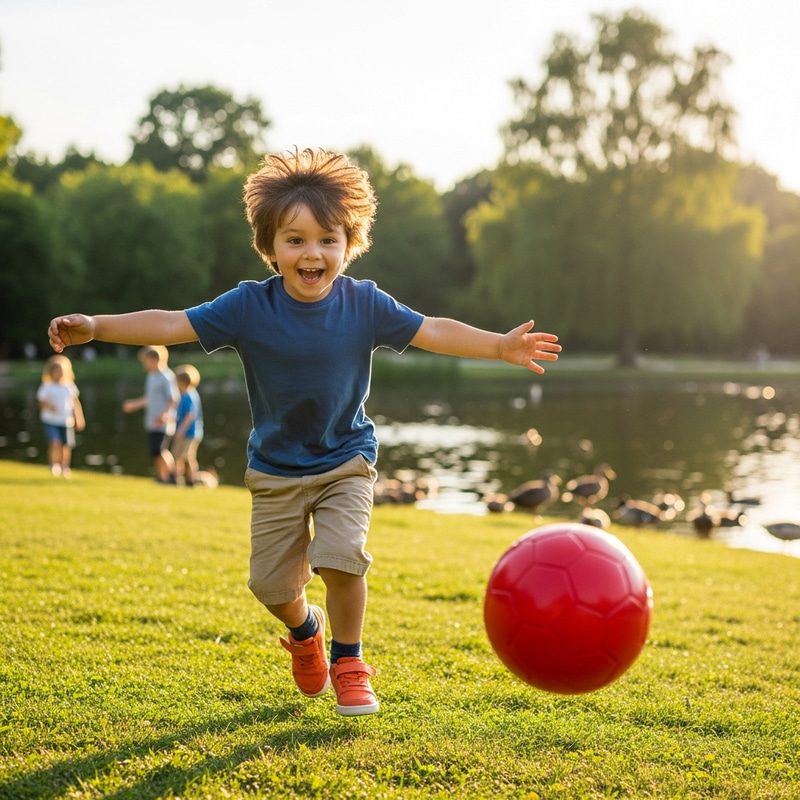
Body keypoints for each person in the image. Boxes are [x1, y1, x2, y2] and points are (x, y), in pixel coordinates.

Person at [47, 147, 561, 716]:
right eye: (295, 240)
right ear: (270, 248)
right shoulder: (247, 306)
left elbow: (432, 329)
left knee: (341, 556)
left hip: (345, 459)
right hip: (275, 468)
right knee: (271, 587)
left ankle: (349, 661)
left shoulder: (365, 303)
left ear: (350, 243)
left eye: (327, 239)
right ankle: (305, 630)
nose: (312, 252)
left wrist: (499, 346)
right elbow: (171, 324)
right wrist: (95, 326)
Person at [122, 345, 179, 483]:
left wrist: (164, 415)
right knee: (154, 451)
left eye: (146, 361)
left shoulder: (167, 376)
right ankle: (162, 476)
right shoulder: (151, 376)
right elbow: (149, 398)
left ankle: (172, 476)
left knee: (159, 450)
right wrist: (134, 405)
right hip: (152, 421)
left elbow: (173, 399)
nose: (144, 365)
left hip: (163, 422)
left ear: (154, 360)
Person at [37, 354, 85, 477]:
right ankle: (54, 465)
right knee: (55, 442)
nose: (59, 374)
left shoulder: (69, 386)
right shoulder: (47, 386)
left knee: (66, 445)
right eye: (57, 371)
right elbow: (41, 402)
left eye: (62, 371)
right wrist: (50, 407)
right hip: (51, 420)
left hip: (66, 421)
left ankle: (65, 466)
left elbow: (75, 403)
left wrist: (79, 418)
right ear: (51, 372)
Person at [172, 364, 204, 486]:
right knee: (179, 455)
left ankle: (191, 480)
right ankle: (178, 478)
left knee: (186, 456)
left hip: (189, 432)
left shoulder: (188, 395)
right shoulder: (189, 394)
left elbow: (190, 416)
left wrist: (180, 430)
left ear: (181, 382)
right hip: (191, 432)